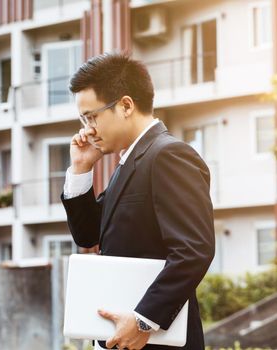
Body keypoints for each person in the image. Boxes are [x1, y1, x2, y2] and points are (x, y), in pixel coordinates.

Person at [61, 52, 215, 350]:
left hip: (155, 342)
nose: (88, 128)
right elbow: (88, 235)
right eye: (84, 119)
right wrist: (80, 170)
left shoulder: (168, 155)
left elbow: (194, 250)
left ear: (126, 105)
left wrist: (145, 319)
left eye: (91, 116)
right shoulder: (129, 163)